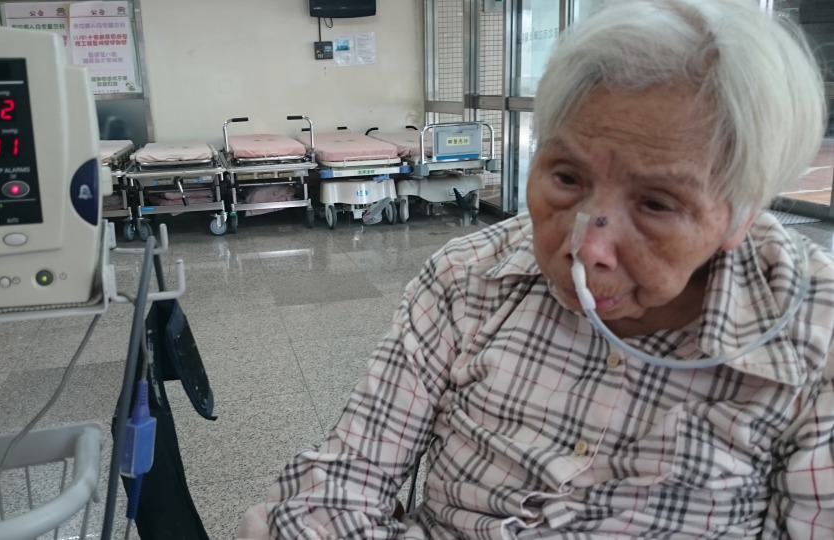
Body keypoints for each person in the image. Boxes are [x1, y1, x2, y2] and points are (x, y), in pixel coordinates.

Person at [238, 0, 834, 537]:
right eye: (567, 178)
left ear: (740, 214)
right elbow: (340, 485)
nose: (586, 248)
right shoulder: (465, 280)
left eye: (656, 204)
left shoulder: (814, 337)